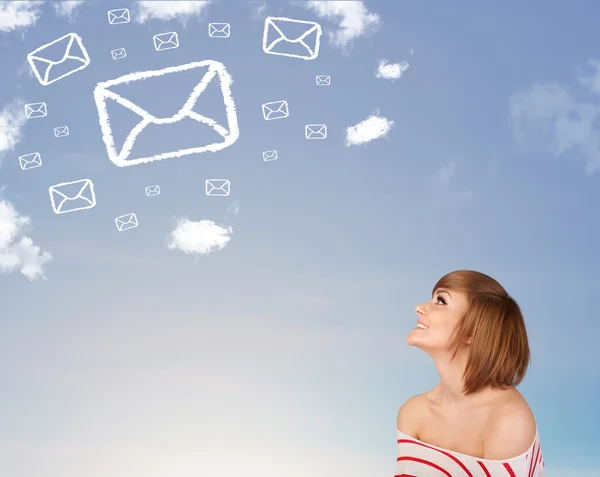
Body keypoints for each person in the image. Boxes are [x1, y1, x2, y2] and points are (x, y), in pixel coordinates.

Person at [395, 270, 545, 477]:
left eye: (441, 300)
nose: (419, 308)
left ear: (472, 331)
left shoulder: (507, 420)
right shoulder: (413, 413)